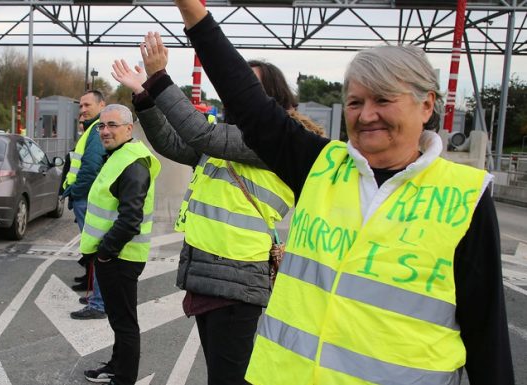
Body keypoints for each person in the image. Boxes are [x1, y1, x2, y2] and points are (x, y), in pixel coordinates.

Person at [171, 1, 515, 383]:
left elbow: (487, 336)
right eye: (355, 102)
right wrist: (193, 13)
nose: (367, 115)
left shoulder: (464, 196)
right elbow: (249, 102)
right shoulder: (321, 165)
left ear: (426, 105)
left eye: (383, 99)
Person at [112, 37, 323, 385]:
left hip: (236, 277)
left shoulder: (278, 140)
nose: (235, 91)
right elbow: (173, 142)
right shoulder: (231, 139)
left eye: (247, 86)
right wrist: (143, 97)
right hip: (211, 273)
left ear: (271, 98)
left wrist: (159, 78)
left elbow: (198, 132)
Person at [80, 104, 160, 385]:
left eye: (112, 125)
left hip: (121, 257)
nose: (105, 131)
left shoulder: (133, 163)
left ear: (129, 128)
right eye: (102, 126)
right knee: (118, 319)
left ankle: (124, 378)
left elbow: (130, 219)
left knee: (125, 322)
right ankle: (116, 365)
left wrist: (105, 253)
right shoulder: (119, 156)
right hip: (115, 255)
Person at [62, 90, 108, 320]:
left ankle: (99, 304)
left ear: (102, 105)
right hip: (86, 199)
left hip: (87, 200)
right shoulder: (93, 128)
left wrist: (76, 193)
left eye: (87, 105)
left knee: (98, 251)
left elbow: (90, 167)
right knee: (95, 250)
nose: (83, 109)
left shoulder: (98, 129)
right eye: (80, 106)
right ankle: (97, 299)